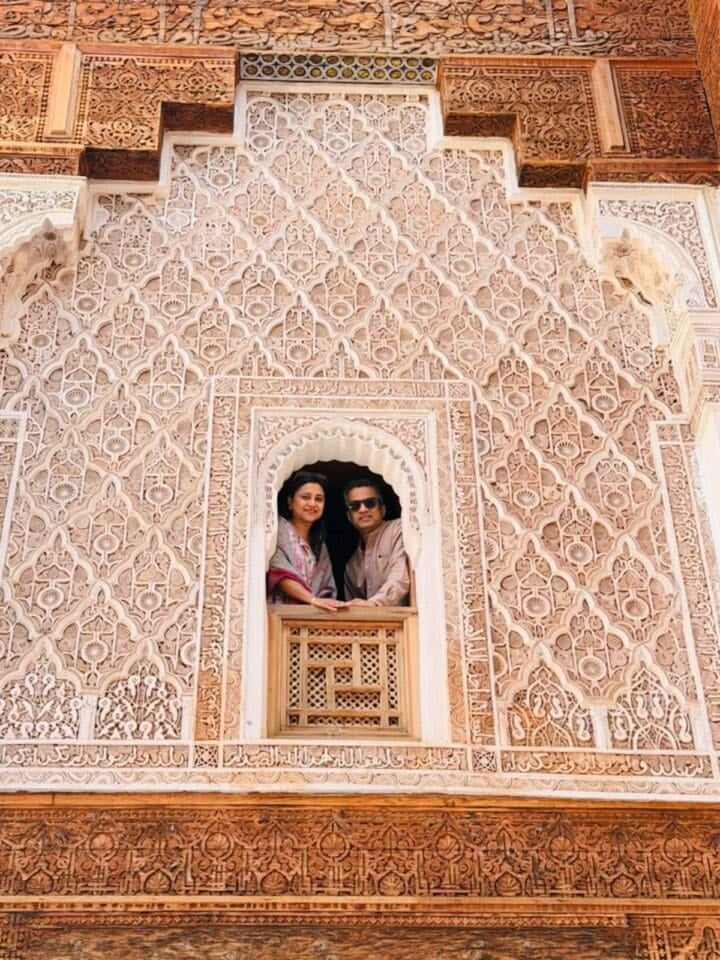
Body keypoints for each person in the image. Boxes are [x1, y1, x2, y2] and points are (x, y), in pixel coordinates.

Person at [267, 471, 347, 612]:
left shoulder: (319, 544)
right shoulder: (276, 531)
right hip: (279, 618)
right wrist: (313, 600)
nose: (312, 503)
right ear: (290, 502)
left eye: (319, 499)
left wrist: (323, 603)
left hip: (312, 620)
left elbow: (327, 586)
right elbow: (280, 573)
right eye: (305, 497)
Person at [343, 477, 410, 607]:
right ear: (349, 516)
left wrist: (374, 604)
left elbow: (399, 577)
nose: (363, 509)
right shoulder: (351, 567)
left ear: (382, 509)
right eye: (355, 506)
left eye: (370, 503)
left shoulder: (397, 529)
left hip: (407, 624)